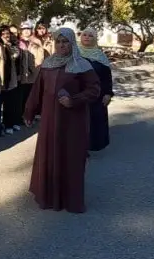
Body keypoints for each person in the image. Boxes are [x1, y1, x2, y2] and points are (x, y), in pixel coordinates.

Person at [23, 28, 101, 213]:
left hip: (73, 121)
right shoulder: (48, 64)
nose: (61, 45)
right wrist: (29, 111)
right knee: (49, 154)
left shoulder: (82, 65)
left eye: (65, 42)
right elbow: (37, 91)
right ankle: (48, 196)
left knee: (71, 157)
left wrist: (74, 100)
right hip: (50, 120)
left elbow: (94, 90)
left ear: (72, 43)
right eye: (58, 42)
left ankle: (70, 200)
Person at [79, 28, 113, 152]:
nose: (87, 37)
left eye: (91, 36)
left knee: (94, 121)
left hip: (97, 96)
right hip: (77, 95)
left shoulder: (100, 56)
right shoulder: (73, 54)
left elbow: (107, 77)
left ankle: (92, 146)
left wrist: (108, 94)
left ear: (95, 39)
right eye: (84, 35)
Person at [0, 25, 22, 135]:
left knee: (9, 103)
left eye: (8, 34)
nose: (6, 36)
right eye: (3, 34)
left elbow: (16, 57)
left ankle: (8, 124)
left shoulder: (14, 46)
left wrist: (8, 46)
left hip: (11, 78)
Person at [17, 22, 39, 107]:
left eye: (28, 29)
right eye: (24, 29)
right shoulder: (18, 42)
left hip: (33, 74)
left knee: (29, 97)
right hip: (21, 75)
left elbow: (39, 57)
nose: (26, 31)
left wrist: (33, 70)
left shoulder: (36, 42)